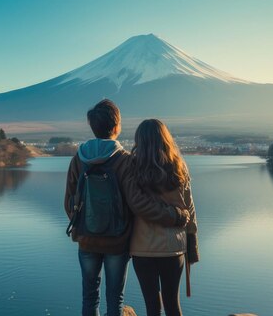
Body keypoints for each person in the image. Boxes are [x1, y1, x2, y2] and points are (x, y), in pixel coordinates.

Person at [64, 99, 190, 316]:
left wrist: (86, 224)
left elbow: (69, 202)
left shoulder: (79, 157)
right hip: (117, 241)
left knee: (89, 296)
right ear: (117, 126)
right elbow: (138, 203)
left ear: (93, 126)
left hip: (86, 240)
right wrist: (175, 216)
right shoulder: (123, 160)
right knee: (115, 299)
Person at [129, 119, 199, 316]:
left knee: (152, 305)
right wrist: (192, 243)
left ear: (139, 141)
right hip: (173, 248)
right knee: (172, 303)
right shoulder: (178, 166)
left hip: (142, 249)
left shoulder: (133, 168)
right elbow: (190, 208)